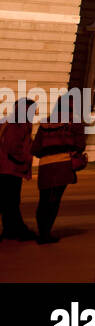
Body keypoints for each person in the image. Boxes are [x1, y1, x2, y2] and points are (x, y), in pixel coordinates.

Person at [31, 93, 87, 244]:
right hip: (63, 165)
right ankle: (46, 234)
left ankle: (41, 232)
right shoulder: (75, 123)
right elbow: (80, 146)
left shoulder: (45, 123)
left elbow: (35, 149)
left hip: (45, 166)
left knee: (43, 201)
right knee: (54, 201)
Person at [0, 98, 37, 242]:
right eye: (31, 110)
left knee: (9, 202)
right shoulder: (18, 124)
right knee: (11, 201)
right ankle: (17, 230)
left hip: (6, 168)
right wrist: (22, 161)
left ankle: (11, 230)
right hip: (10, 168)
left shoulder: (10, 121)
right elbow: (12, 146)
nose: (33, 113)